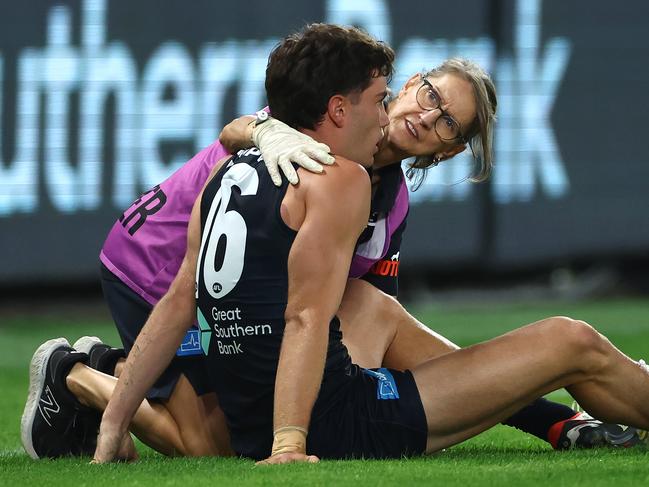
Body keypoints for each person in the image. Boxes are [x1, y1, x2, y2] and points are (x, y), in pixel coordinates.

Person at [20, 53, 642, 461]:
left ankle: (555, 417)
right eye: (429, 93)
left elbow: (369, 317)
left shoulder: (388, 202)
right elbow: (240, 129)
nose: (428, 115)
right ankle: (83, 373)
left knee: (368, 315)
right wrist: (263, 131)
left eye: (449, 122)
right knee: (208, 446)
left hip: (222, 289)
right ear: (405, 86)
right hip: (154, 271)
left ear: (450, 152)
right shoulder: (317, 125)